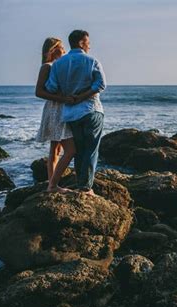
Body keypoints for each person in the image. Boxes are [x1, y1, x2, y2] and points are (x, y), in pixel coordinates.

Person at [45, 30, 106, 196]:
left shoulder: (58, 64)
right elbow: (100, 85)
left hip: (70, 114)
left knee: (79, 149)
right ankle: (85, 188)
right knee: (91, 149)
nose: (89, 45)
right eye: (87, 41)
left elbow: (51, 87)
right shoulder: (92, 60)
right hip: (91, 110)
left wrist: (68, 96)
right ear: (80, 43)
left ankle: (81, 185)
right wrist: (81, 96)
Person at [35, 37, 76, 193]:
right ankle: (53, 185)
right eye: (61, 48)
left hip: (60, 108)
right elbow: (38, 92)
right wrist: (63, 99)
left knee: (56, 150)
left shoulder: (58, 66)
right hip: (55, 109)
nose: (64, 51)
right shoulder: (47, 66)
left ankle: (52, 185)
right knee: (68, 149)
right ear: (52, 50)